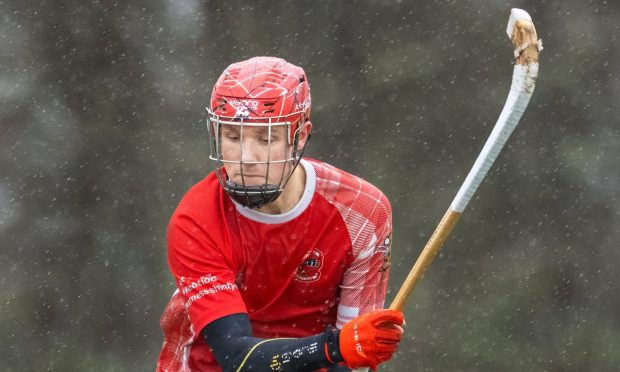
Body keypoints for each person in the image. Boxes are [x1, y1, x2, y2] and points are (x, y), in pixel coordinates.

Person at [157, 56, 405, 372]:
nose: (247, 158)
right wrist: (334, 348)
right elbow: (237, 358)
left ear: (299, 136)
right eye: (233, 136)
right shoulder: (196, 220)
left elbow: (352, 354)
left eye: (266, 138)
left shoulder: (363, 211)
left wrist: (359, 344)